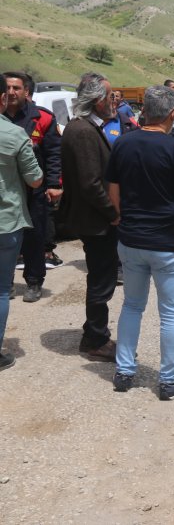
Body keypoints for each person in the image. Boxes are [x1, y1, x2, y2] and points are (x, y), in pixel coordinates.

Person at [107, 85, 174, 400]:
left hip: (131, 240)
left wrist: (122, 219)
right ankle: (168, 381)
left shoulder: (122, 144)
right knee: (171, 313)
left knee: (132, 305)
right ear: (173, 114)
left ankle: (124, 371)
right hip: (166, 244)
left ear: (143, 110)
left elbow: (114, 192)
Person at [58, 73, 121, 361]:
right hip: (96, 221)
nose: (113, 102)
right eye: (109, 97)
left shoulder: (85, 127)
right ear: (97, 102)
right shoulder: (83, 131)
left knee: (101, 276)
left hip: (94, 218)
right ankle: (95, 339)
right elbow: (90, 184)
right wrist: (113, 214)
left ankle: (93, 331)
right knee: (101, 280)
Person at [3, 71, 61, 303]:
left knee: (35, 236)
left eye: (16, 88)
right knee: (5, 236)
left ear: (26, 92)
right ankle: (5, 281)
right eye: (7, 88)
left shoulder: (43, 118)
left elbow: (54, 154)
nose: (11, 92)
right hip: (6, 189)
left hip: (34, 188)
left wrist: (55, 184)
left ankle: (34, 281)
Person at [0, 73, 44, 372]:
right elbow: (35, 178)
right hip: (6, 222)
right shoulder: (14, 135)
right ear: (2, 97)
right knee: (2, 290)